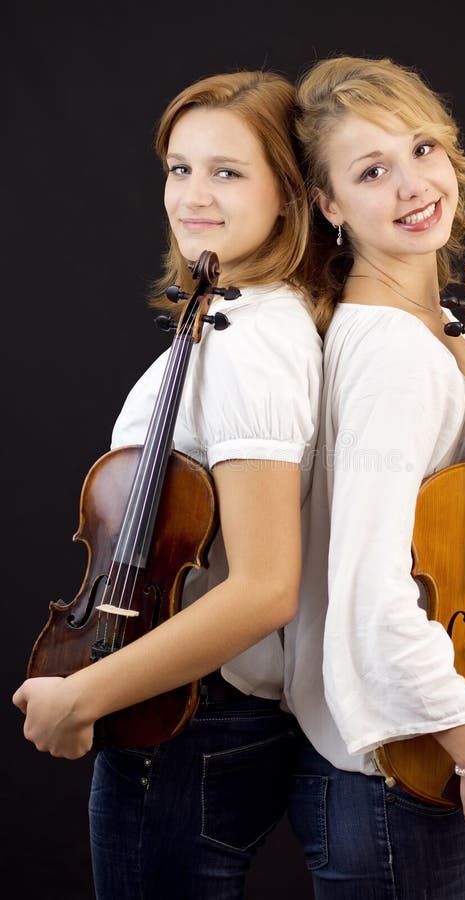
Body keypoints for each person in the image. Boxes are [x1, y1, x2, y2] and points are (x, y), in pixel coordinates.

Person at [12, 70, 322, 900]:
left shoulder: (253, 345)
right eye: (179, 168)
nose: (192, 195)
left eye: (227, 171)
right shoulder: (253, 315)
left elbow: (264, 588)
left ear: (290, 195)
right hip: (199, 709)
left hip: (187, 719)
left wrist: (83, 695)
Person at [282, 55, 465, 899]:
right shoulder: (391, 355)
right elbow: (371, 596)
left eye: (423, 148)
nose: (414, 185)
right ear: (330, 207)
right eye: (373, 171)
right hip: (411, 764)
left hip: (457, 739)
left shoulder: (438, 324)